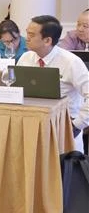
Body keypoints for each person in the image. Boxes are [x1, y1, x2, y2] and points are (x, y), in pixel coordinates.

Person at [17, 15, 89, 152]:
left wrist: (77, 125)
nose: (26, 38)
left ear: (47, 40)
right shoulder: (26, 58)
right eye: (27, 33)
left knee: (62, 172)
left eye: (31, 35)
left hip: (63, 129)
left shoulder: (71, 62)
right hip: (31, 127)